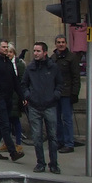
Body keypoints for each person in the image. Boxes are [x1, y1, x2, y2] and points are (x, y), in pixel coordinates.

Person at [21, 41, 62, 174]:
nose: (35, 53)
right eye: (34, 51)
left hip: (50, 105)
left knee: (53, 136)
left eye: (38, 51)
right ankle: (40, 163)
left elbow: (60, 84)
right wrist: (28, 96)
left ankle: (54, 163)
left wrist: (55, 95)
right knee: (37, 137)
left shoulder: (53, 68)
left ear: (45, 52)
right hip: (35, 106)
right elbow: (24, 84)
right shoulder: (30, 68)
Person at [50, 34, 81, 153]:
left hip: (67, 93)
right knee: (56, 119)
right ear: (56, 44)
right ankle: (60, 141)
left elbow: (76, 77)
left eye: (63, 42)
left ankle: (69, 143)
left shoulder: (72, 57)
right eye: (58, 42)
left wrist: (75, 93)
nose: (61, 44)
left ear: (66, 43)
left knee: (67, 119)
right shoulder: (53, 58)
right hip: (55, 93)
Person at [1, 42, 26, 152]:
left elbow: (21, 81)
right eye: (7, 51)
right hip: (6, 95)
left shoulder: (19, 64)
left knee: (15, 120)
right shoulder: (4, 63)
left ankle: (18, 143)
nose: (9, 54)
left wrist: (21, 96)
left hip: (15, 96)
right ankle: (7, 142)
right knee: (6, 121)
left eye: (11, 52)